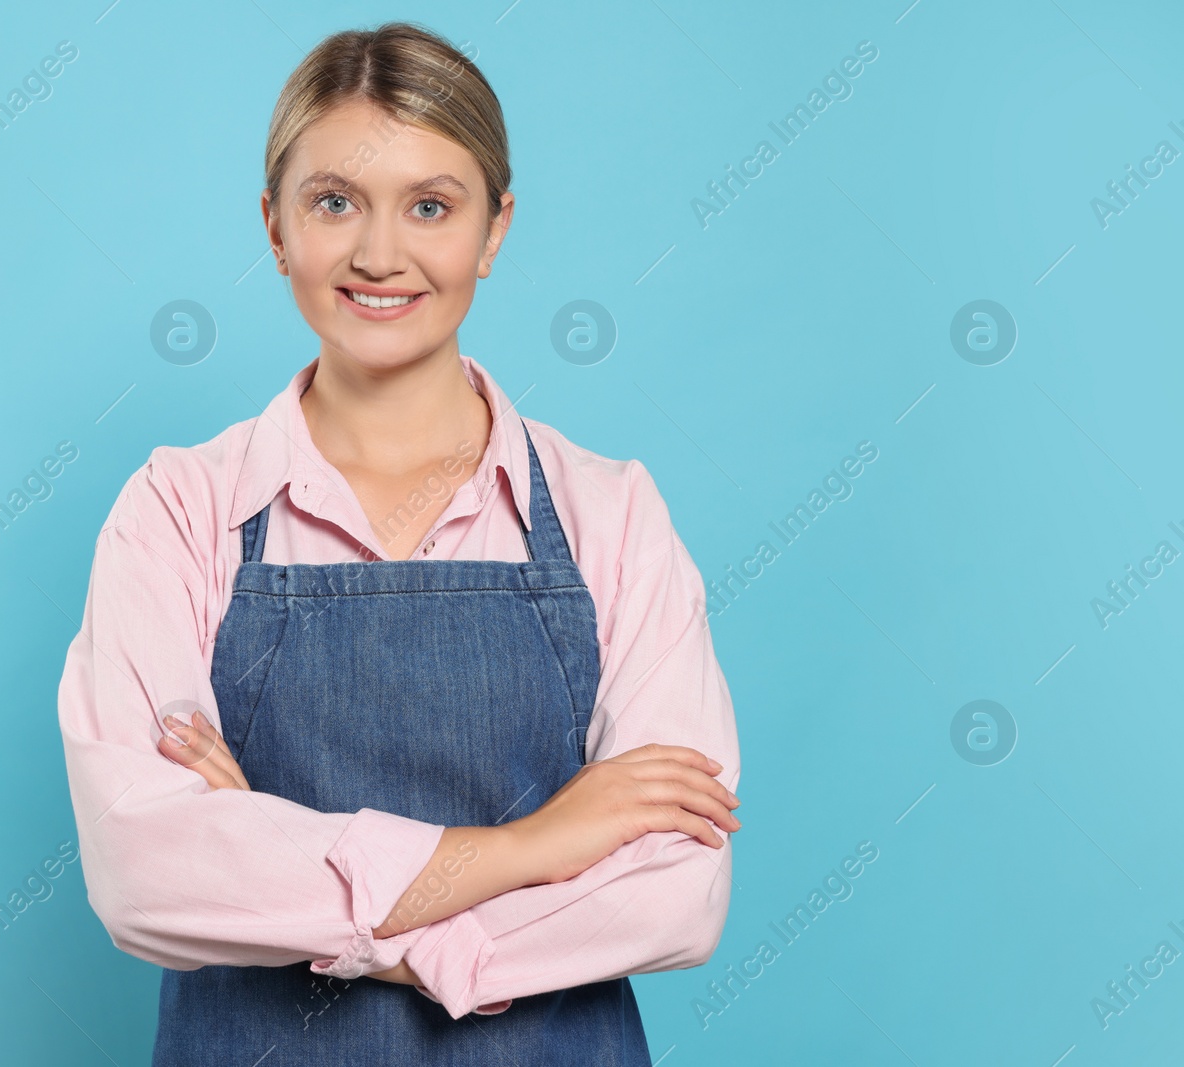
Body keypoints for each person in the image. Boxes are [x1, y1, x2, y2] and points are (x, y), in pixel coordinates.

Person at [56, 20, 741, 1066]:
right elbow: (144, 869)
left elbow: (672, 894)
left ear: (494, 229)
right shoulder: (178, 511)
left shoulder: (612, 514)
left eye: (430, 205)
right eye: (334, 201)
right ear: (275, 226)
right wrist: (534, 847)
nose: (379, 254)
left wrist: (296, 877)